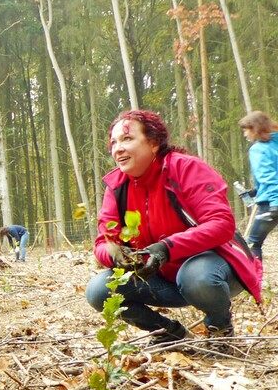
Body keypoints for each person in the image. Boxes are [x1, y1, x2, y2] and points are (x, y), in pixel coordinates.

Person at [85, 110, 263, 352]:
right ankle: (168, 332)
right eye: (114, 142)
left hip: (213, 271)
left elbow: (221, 224)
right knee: (99, 290)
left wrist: (167, 248)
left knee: (196, 276)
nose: (118, 148)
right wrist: (117, 255)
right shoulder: (117, 187)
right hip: (160, 277)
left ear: (154, 143)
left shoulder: (185, 168)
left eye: (127, 139)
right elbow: (102, 243)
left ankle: (220, 329)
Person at [238, 111, 278, 260]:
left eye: (246, 130)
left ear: (255, 128)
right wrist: (255, 191)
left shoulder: (259, 149)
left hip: (271, 204)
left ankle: (253, 282)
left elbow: (270, 177)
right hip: (273, 198)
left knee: (252, 245)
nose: (245, 135)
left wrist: (275, 203)